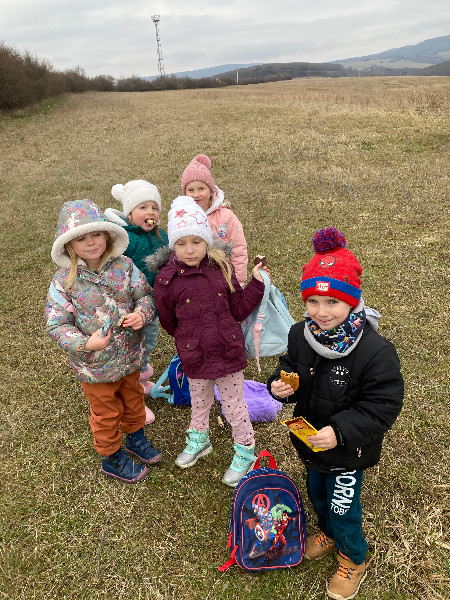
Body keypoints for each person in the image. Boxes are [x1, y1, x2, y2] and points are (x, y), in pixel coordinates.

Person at [267, 227, 403, 600]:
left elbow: (383, 404)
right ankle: (327, 533)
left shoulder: (375, 352)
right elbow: (289, 366)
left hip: (347, 450)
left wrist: (340, 432)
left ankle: (353, 558)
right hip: (310, 441)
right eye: (312, 301)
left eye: (332, 302)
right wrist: (279, 385)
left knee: (343, 508)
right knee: (317, 494)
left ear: (352, 302)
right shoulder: (301, 334)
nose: (321, 312)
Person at [154, 196, 268, 488]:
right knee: (199, 401)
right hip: (194, 354)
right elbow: (168, 321)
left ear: (207, 240)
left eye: (196, 241)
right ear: (173, 245)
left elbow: (238, 308)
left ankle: (246, 451)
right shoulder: (166, 280)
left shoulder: (221, 268)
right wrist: (188, 339)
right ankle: (199, 440)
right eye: (181, 243)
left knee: (234, 406)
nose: (190, 250)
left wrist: (256, 283)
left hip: (227, 352)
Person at [46, 199, 162, 483]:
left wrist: (142, 314)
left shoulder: (125, 266)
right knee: (106, 413)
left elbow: (145, 296)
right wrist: (86, 344)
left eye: (96, 234)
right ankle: (111, 457)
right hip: (94, 368)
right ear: (69, 245)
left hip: (129, 357)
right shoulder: (64, 281)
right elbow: (57, 323)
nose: (91, 242)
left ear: (107, 235)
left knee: (133, 400)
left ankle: (135, 438)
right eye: (81, 238)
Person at [105, 179, 169, 424]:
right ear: (129, 214)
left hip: (153, 304)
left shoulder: (161, 235)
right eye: (143, 207)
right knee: (132, 349)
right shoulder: (124, 239)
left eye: (154, 207)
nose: (150, 212)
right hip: (130, 307)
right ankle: (131, 397)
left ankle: (141, 379)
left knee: (148, 343)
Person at [180, 154, 248, 286]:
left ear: (211, 190)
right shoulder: (182, 219)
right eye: (191, 190)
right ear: (185, 193)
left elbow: (238, 248)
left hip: (225, 279)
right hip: (195, 282)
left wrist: (238, 281)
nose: (196, 195)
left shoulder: (226, 216)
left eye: (201, 188)